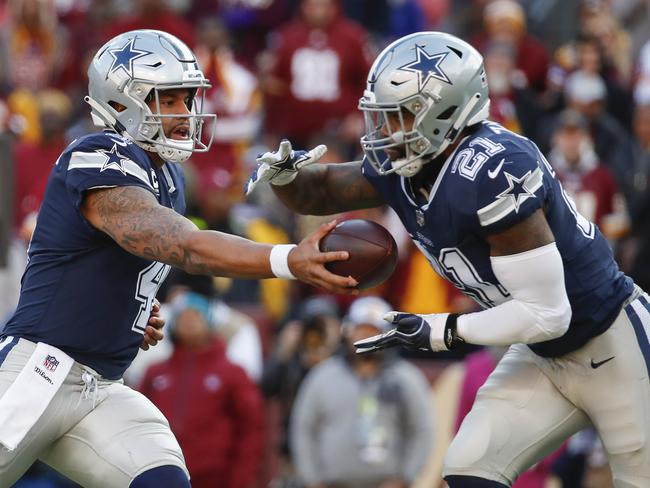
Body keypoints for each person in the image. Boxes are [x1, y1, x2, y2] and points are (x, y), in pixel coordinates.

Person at [245, 31, 650, 487]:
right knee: (468, 470)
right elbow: (319, 189)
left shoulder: (493, 170)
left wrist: (437, 331)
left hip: (612, 341)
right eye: (382, 117)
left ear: (446, 112)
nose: (386, 132)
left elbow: (549, 314)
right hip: (543, 355)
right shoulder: (412, 161)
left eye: (400, 116)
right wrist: (283, 176)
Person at [0, 29, 355, 488]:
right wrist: (287, 259)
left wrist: (125, 312)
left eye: (188, 99)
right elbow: (183, 245)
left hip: (103, 385)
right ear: (123, 101)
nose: (185, 114)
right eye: (168, 101)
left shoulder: (167, 176)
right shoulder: (96, 155)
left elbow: (116, 261)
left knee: (162, 480)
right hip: (42, 370)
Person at [290, 296, 433, 488]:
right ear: (348, 331)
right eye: (360, 329)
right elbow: (304, 428)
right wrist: (313, 479)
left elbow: (421, 429)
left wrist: (406, 477)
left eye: (373, 330)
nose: (366, 337)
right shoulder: (322, 377)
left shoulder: (406, 378)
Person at [138, 291, 265, 488]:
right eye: (184, 316)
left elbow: (251, 430)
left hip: (214, 479)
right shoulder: (155, 373)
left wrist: (240, 481)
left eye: (196, 315)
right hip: (163, 476)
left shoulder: (232, 373)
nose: (189, 321)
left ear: (208, 321)